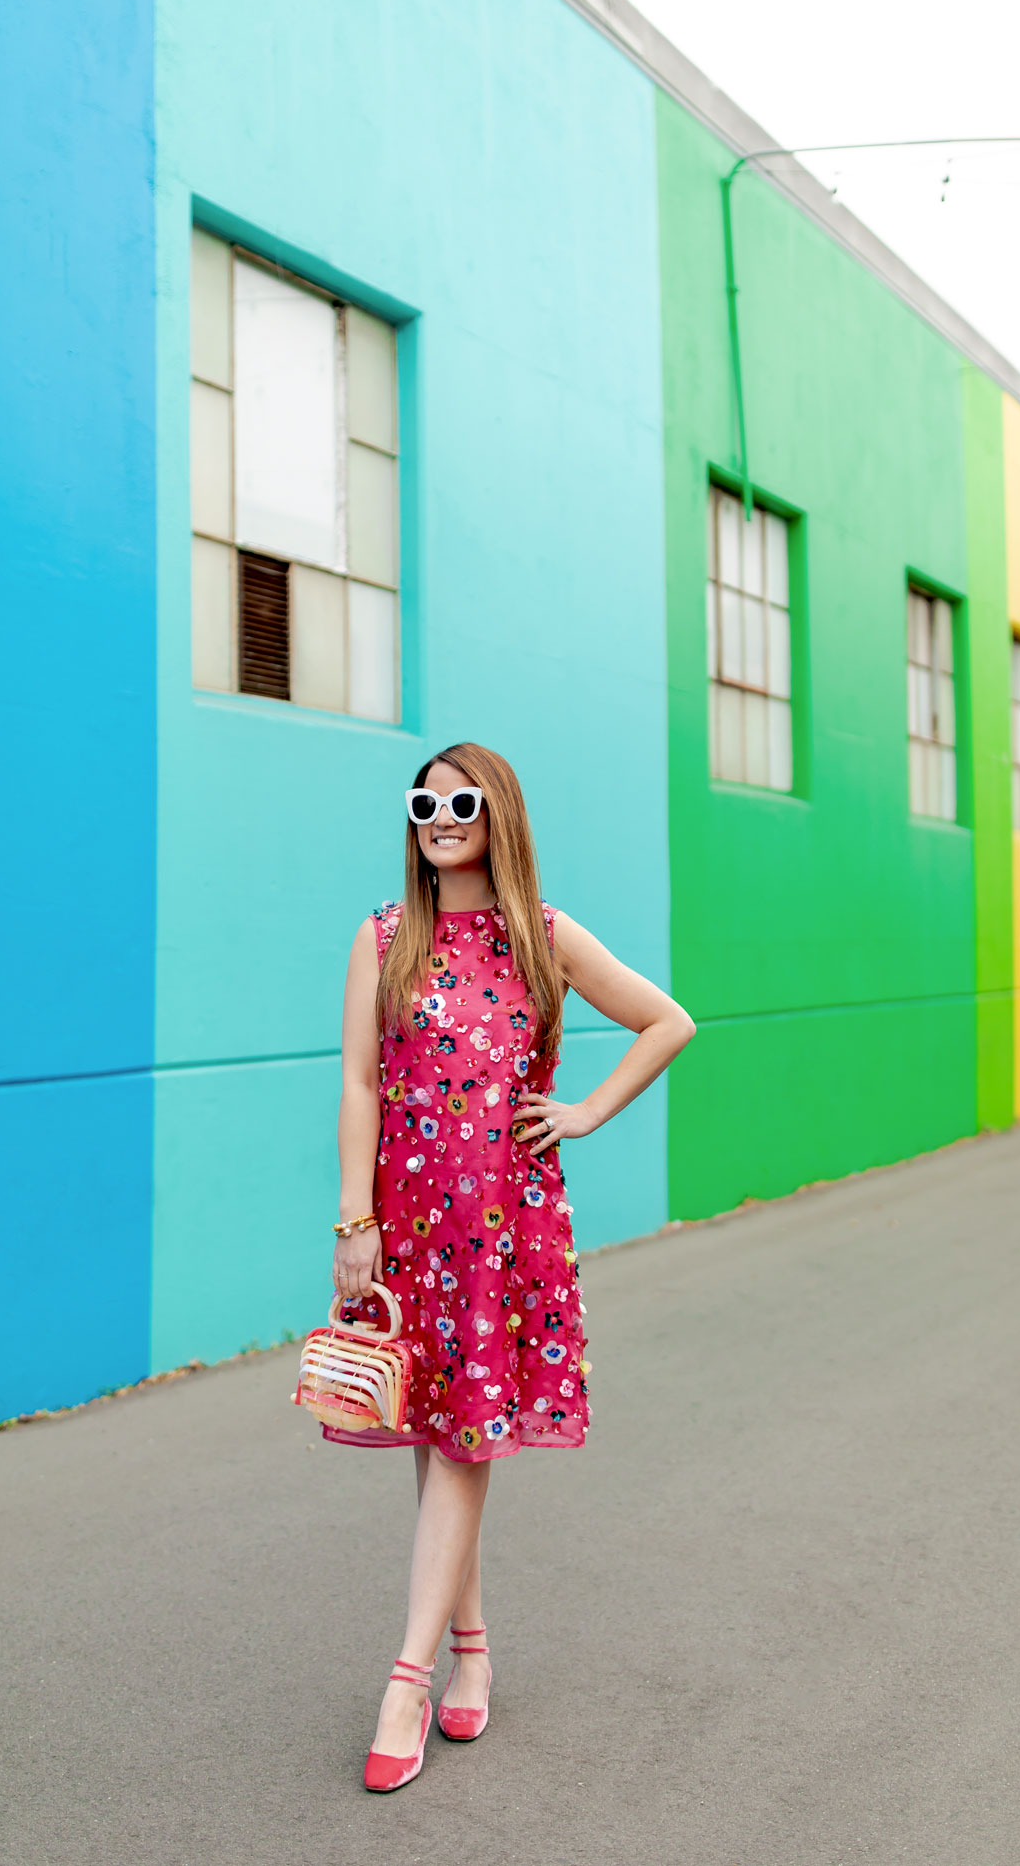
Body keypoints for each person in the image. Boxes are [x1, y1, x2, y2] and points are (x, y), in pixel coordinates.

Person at [330, 741, 695, 1792]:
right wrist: (354, 1222)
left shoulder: (543, 936)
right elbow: (359, 1082)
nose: (439, 818)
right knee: (435, 1433)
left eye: (461, 801)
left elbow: (665, 1021)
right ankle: (473, 1652)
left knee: (462, 1442)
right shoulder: (383, 936)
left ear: (499, 815)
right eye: (423, 802)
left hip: (500, 1223)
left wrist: (580, 1112)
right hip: (406, 1224)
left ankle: (407, 1676)